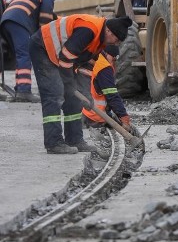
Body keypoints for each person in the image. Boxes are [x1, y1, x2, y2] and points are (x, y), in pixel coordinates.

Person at [30, 14, 132, 154]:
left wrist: (83, 93)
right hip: (43, 48)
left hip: (61, 56)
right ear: (109, 31)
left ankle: (75, 139)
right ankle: (54, 143)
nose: (115, 45)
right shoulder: (88, 30)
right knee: (54, 95)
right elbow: (66, 57)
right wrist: (70, 85)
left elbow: (83, 67)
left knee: (72, 99)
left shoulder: (100, 41)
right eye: (116, 40)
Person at [0, 0, 57, 103]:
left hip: (6, 22)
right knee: (25, 55)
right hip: (19, 21)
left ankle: (20, 87)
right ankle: (24, 91)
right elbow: (45, 20)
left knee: (21, 55)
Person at [78, 45, 139, 138]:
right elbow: (112, 95)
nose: (112, 62)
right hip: (96, 116)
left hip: (88, 113)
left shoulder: (95, 60)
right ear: (106, 54)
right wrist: (124, 117)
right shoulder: (104, 68)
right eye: (113, 59)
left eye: (115, 60)